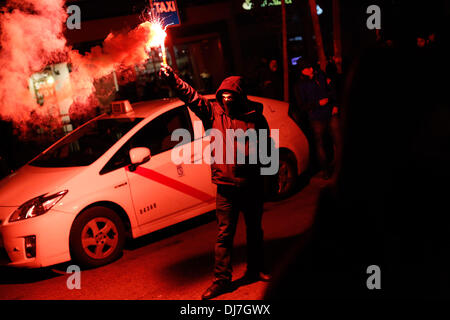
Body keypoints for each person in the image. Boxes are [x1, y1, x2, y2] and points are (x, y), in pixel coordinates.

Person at [159, 64, 271, 300]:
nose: (227, 99)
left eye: (231, 95)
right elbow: (192, 97)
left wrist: (265, 176)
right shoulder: (213, 112)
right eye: (223, 96)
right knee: (224, 235)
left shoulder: (255, 117)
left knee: (254, 230)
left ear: (240, 96)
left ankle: (256, 269)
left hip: (251, 184)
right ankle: (221, 281)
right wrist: (174, 80)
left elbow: (266, 147)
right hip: (226, 187)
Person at [293, 59, 341, 180]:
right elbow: (302, 106)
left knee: (338, 139)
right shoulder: (300, 85)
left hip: (330, 112)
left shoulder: (320, 76)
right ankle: (325, 170)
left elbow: (332, 89)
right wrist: (317, 104)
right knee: (320, 144)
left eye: (311, 67)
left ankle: (341, 165)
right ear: (302, 71)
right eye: (307, 68)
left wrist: (335, 104)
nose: (311, 70)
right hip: (316, 117)